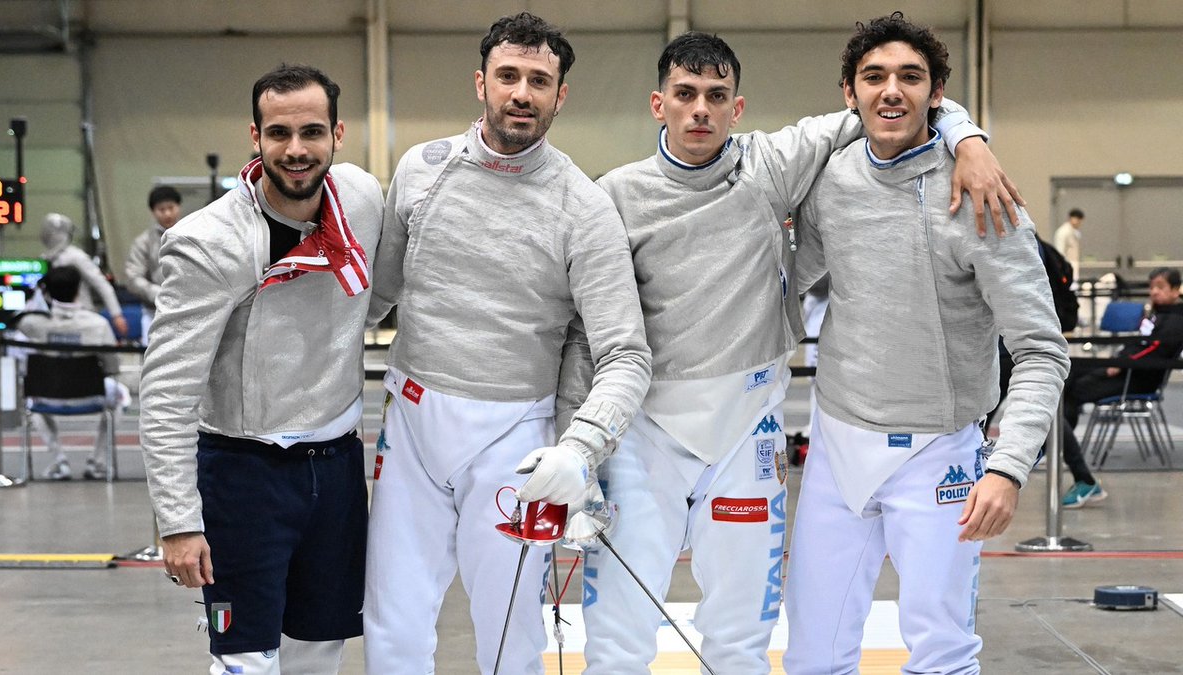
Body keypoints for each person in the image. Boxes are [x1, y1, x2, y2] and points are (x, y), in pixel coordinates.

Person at [561, 31, 1021, 675]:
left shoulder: (771, 164)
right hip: (645, 432)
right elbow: (589, 332)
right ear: (657, 103)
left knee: (742, 635)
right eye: (685, 94)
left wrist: (967, 139)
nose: (700, 110)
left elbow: (888, 106)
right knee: (617, 634)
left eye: (716, 96)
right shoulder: (612, 196)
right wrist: (576, 449)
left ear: (737, 107)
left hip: (745, 428)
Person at [361, 13, 651, 674]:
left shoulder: (584, 206)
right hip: (410, 425)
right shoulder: (421, 171)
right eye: (509, 76)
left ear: (560, 95)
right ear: (481, 82)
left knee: (510, 638)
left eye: (539, 81)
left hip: (515, 442)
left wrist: (581, 448)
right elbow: (370, 302)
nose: (522, 92)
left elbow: (626, 354)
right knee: (393, 623)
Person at [785, 13, 1070, 674]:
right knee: (811, 652)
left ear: (936, 92)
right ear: (848, 93)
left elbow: (1041, 348)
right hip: (835, 447)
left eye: (910, 77)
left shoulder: (981, 195)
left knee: (941, 653)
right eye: (874, 76)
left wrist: (1007, 464)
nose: (891, 91)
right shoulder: (830, 178)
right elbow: (787, 283)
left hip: (939, 455)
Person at [140, 64, 387, 675]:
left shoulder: (360, 197)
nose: (296, 150)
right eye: (279, 133)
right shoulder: (205, 243)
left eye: (311, 132)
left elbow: (373, 297)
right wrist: (178, 522)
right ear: (255, 136)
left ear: (338, 133)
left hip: (334, 471)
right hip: (244, 474)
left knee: (319, 651)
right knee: (246, 661)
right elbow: (167, 392)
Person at [1060, 267, 1183, 507]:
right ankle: (1060, 444)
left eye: (1161, 287)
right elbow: (1138, 342)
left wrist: (1121, 363)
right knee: (1068, 376)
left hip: (1136, 378)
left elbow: (1153, 349)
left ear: (1176, 290)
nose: (1154, 292)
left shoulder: (1176, 320)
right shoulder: (1155, 313)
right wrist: (1120, 359)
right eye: (1152, 287)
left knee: (1073, 389)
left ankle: (1074, 464)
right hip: (1123, 366)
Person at [15, 266, 128, 481]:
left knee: (32, 400)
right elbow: (113, 366)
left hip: (46, 396)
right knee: (121, 396)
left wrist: (39, 299)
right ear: (79, 289)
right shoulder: (98, 324)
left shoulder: (32, 323)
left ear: (46, 291)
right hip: (90, 394)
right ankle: (98, 462)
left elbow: (16, 319)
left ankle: (60, 461)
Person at [37, 213, 128, 339]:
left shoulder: (76, 257)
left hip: (81, 315)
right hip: (55, 317)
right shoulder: (45, 259)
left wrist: (116, 315)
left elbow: (101, 284)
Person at [125, 185, 182, 345]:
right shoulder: (143, 242)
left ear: (179, 207)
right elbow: (133, 277)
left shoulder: (193, 235)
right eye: (161, 209)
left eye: (171, 207)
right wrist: (159, 294)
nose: (167, 213)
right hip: (154, 312)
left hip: (187, 309)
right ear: (153, 211)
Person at [1054, 207, 1085, 283]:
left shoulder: (1074, 232)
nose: (1079, 222)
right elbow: (1060, 251)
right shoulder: (1063, 232)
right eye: (1077, 219)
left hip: (1073, 266)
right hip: (1067, 268)